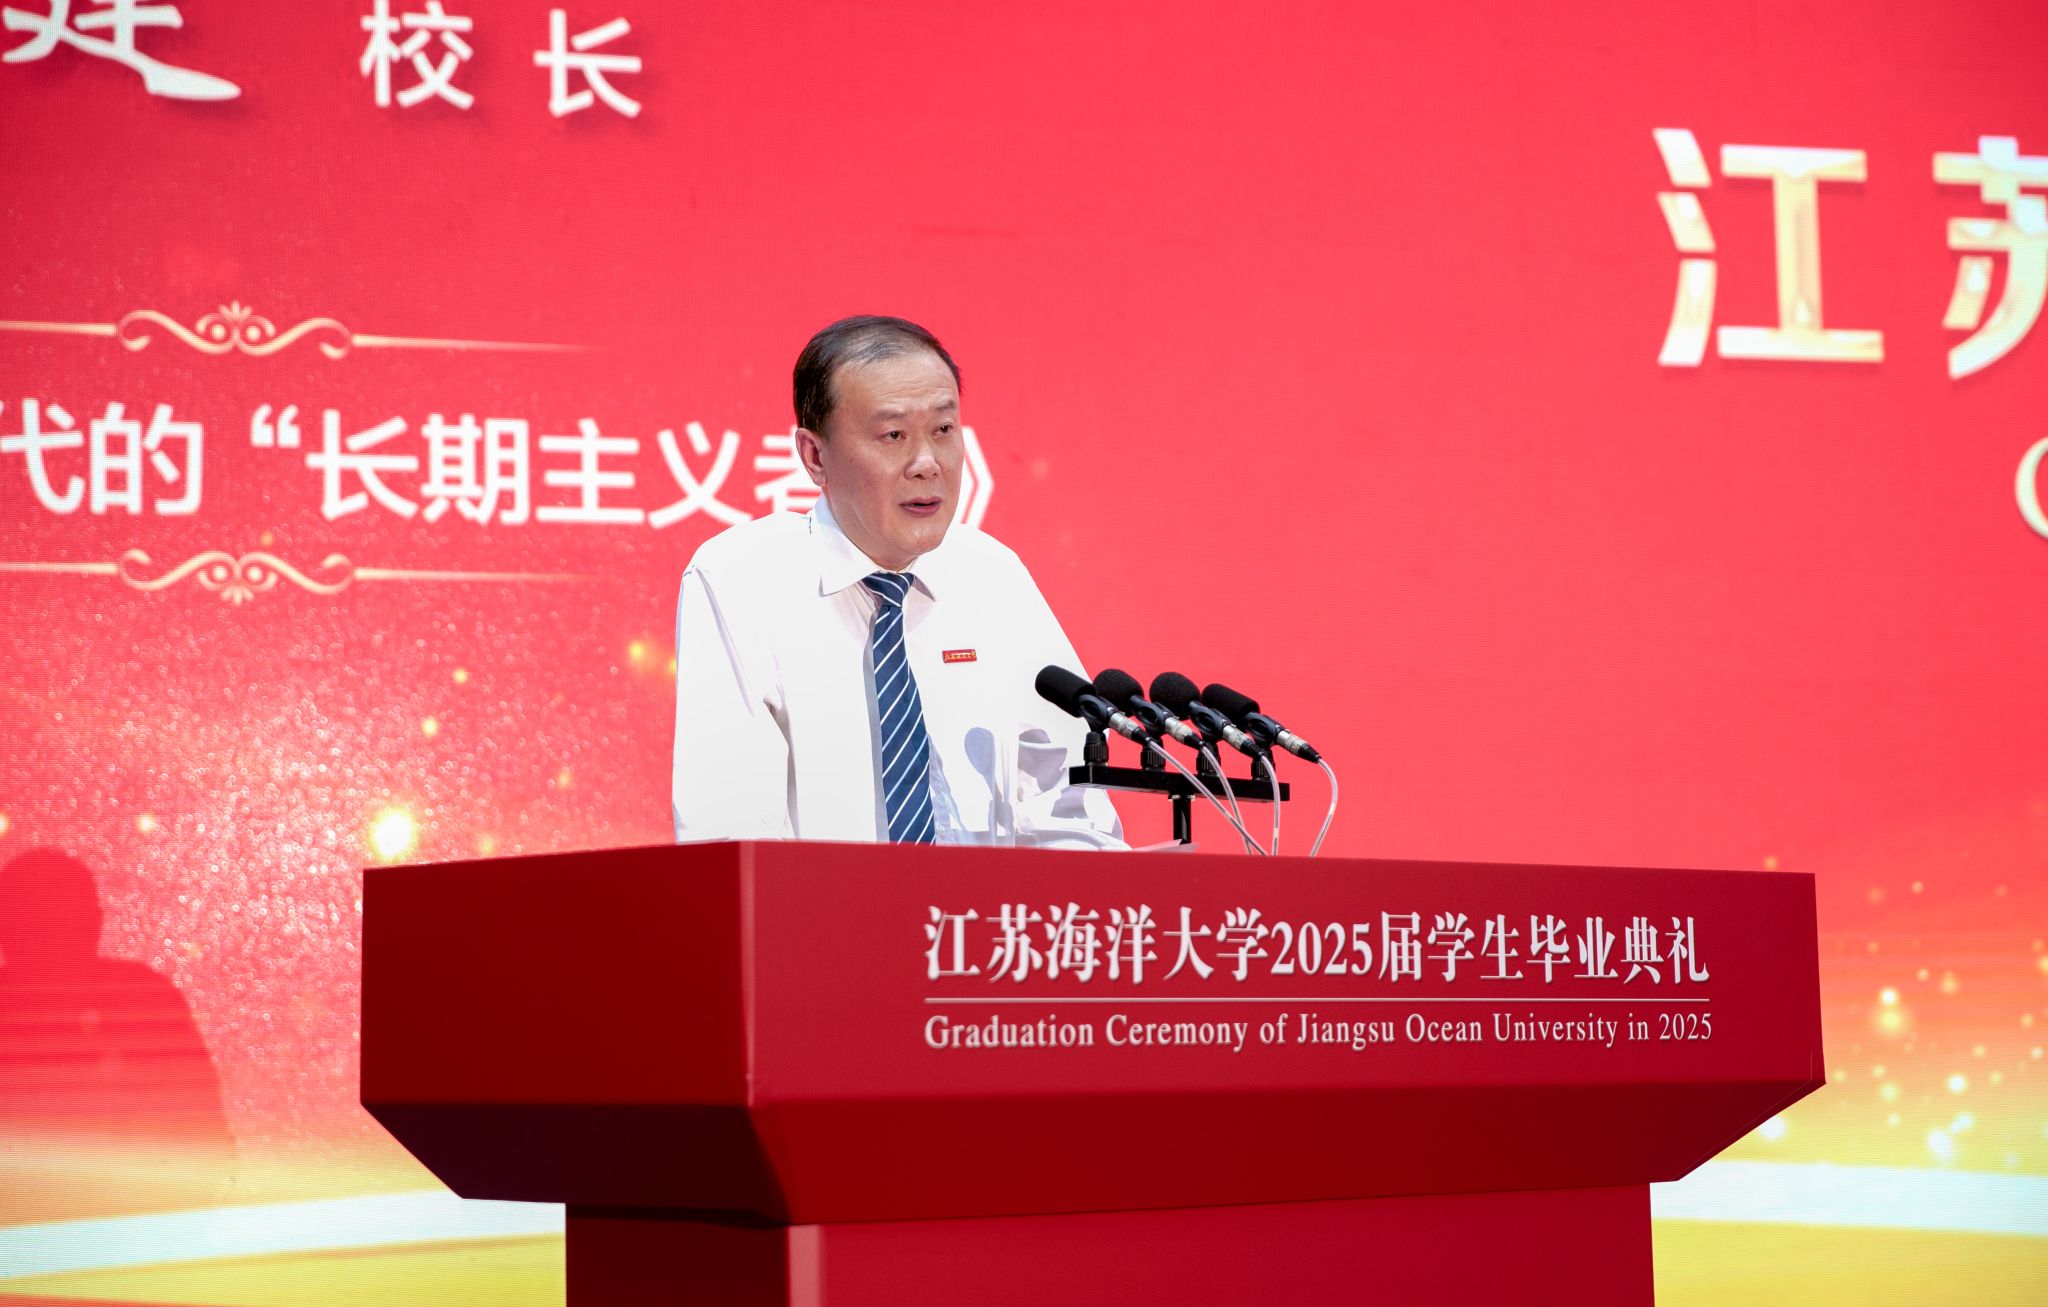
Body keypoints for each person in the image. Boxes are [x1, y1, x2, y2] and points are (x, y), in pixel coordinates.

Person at [671, 315, 1123, 849]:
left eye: (944, 430)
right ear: (815, 456)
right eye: (893, 435)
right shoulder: (743, 579)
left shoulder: (992, 574)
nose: (927, 463)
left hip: (987, 904)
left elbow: (1073, 808)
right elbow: (730, 830)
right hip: (822, 903)